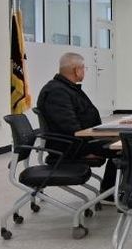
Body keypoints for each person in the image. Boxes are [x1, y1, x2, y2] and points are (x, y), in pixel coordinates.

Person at [36, 52, 118, 193]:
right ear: (76, 70)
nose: (84, 71)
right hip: (71, 147)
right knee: (125, 147)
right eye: (84, 68)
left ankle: (112, 190)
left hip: (80, 141)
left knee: (122, 142)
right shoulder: (57, 92)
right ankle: (109, 194)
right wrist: (88, 149)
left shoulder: (67, 88)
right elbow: (71, 128)